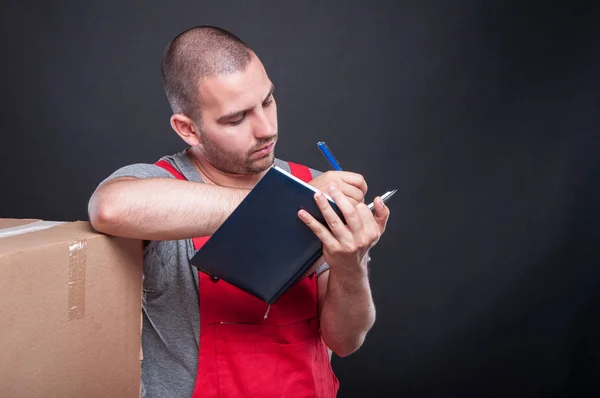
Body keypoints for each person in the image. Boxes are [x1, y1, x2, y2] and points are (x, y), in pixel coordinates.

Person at [88, 25, 390, 398]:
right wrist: (280, 204)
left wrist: (351, 264)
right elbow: (110, 208)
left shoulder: (310, 183)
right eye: (236, 119)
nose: (266, 129)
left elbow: (345, 342)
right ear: (188, 129)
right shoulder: (160, 183)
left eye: (267, 101)